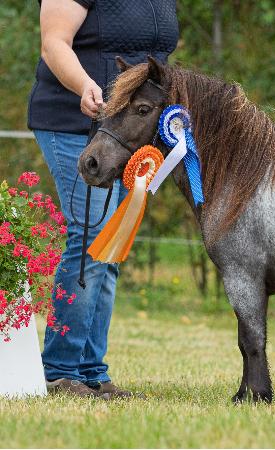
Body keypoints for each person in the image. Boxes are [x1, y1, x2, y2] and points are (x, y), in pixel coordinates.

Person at [28, 0, 179, 399]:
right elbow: (53, 43)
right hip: (76, 122)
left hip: (128, 133)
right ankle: (60, 371)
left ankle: (91, 371)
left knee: (111, 250)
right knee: (91, 240)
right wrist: (83, 85)